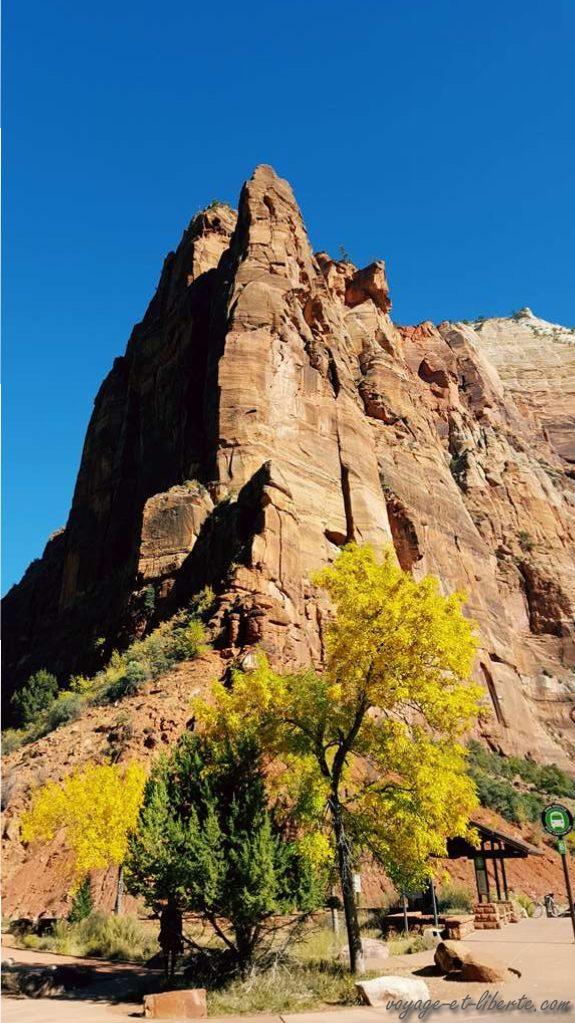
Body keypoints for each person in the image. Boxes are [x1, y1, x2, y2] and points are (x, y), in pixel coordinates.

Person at [158, 896, 184, 980]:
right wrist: (179, 935)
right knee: (172, 953)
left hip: (168, 934)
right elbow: (180, 925)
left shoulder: (167, 910)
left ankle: (168, 971)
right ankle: (170, 971)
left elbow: (162, 923)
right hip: (172, 934)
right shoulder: (176, 911)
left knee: (168, 953)